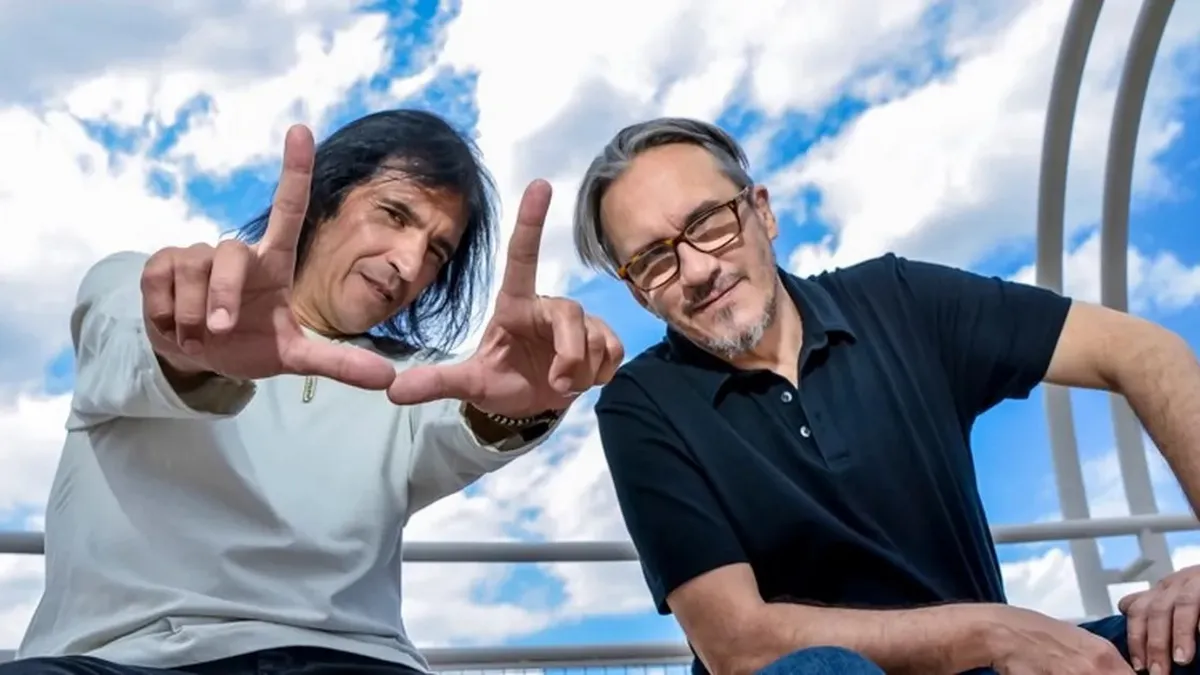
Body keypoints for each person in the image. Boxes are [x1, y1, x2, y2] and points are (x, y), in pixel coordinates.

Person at [3, 109, 624, 675]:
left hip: (357, 661)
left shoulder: (412, 380)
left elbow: (458, 424)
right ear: (324, 200)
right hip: (125, 657)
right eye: (395, 214)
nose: (410, 264)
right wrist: (189, 345)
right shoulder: (139, 286)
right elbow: (125, 341)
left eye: (436, 251)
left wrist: (518, 406)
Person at [572, 117, 1200, 675]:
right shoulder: (642, 404)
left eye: (710, 222)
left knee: (1189, 631)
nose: (697, 269)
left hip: (990, 667)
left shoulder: (898, 301)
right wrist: (995, 630)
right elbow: (740, 646)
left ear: (762, 213)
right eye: (653, 260)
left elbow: (1139, 349)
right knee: (817, 671)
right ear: (639, 293)